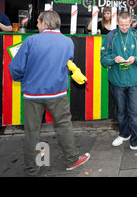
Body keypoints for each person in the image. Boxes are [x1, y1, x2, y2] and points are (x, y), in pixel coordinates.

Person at [9, 11, 90, 176]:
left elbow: (16, 69)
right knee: (64, 126)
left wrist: (22, 78)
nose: (37, 25)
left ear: (44, 23)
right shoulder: (67, 42)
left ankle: (32, 168)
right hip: (57, 93)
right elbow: (67, 61)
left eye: (38, 22)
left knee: (32, 130)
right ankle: (72, 159)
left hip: (32, 94)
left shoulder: (30, 40)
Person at [100, 11, 137, 151]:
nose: (124, 27)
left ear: (131, 23)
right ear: (117, 22)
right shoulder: (111, 36)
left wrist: (135, 59)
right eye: (121, 25)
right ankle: (124, 134)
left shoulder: (136, 35)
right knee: (121, 111)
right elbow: (103, 58)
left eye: (126, 25)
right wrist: (114, 59)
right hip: (116, 80)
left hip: (134, 80)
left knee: (134, 112)